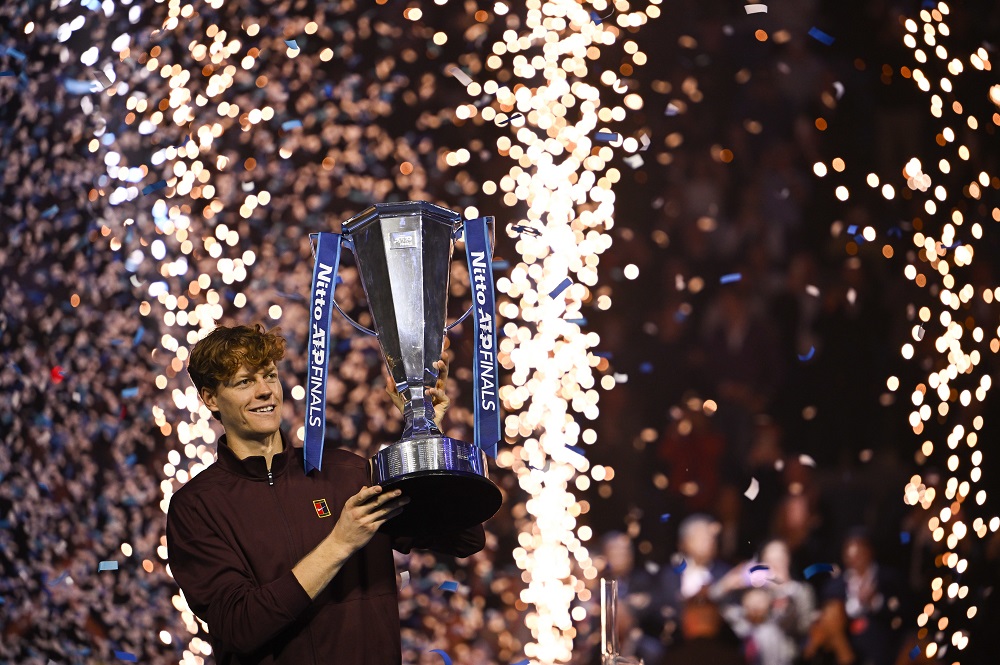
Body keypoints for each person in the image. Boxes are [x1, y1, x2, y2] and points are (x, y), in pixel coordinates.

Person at [165, 323, 485, 665]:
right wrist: (341, 543)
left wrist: (426, 434)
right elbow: (240, 627)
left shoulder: (345, 471)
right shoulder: (196, 507)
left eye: (269, 376)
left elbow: (464, 537)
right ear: (210, 398)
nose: (265, 392)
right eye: (245, 382)